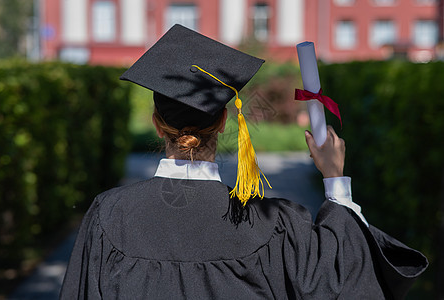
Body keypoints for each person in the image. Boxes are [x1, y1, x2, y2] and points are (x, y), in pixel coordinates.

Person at [60, 24, 427, 299]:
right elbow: (343, 276)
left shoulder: (110, 216)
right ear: (223, 123)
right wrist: (335, 180)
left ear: (157, 125)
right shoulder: (274, 225)